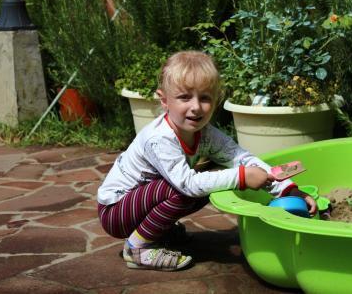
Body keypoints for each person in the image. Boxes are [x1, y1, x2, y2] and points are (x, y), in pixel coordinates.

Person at [97, 51, 317, 271]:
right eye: (184, 97)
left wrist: (288, 190)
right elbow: (187, 184)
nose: (196, 107)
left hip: (141, 202)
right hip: (116, 211)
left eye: (204, 98)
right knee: (185, 188)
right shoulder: (159, 138)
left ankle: (159, 230)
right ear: (164, 100)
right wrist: (241, 177)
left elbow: (241, 158)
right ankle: (137, 248)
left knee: (214, 175)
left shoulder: (207, 134)